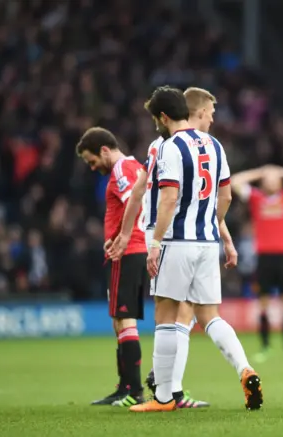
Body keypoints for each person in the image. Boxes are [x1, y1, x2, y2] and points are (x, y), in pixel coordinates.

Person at [129, 86, 262, 412]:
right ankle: (245, 368)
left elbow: (170, 198)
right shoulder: (215, 144)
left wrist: (156, 243)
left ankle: (162, 398)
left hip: (176, 241)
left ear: (163, 117)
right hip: (206, 242)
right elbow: (227, 197)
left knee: (166, 312)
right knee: (209, 316)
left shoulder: (169, 146)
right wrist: (214, 228)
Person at [109, 87, 232, 408]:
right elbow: (218, 198)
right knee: (189, 314)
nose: (212, 118)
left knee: (175, 314)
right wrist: (221, 229)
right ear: (196, 113)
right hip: (187, 236)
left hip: (168, 237)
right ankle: (173, 389)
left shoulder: (162, 145)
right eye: (210, 113)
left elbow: (142, 193)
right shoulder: (206, 146)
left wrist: (132, 235)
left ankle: (168, 390)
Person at [76, 127, 148, 407]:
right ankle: (126, 386)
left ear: (104, 150)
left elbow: (134, 200)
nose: (93, 167)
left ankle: (134, 390)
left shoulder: (121, 169)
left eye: (91, 160)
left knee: (125, 320)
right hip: (132, 250)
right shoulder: (133, 167)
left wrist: (123, 237)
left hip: (127, 252)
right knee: (120, 322)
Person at [230, 165, 283, 362]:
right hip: (264, 258)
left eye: (274, 178)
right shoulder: (256, 197)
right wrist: (261, 171)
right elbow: (235, 181)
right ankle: (265, 347)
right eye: (267, 178)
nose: (271, 180)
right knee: (263, 304)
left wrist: (281, 171)